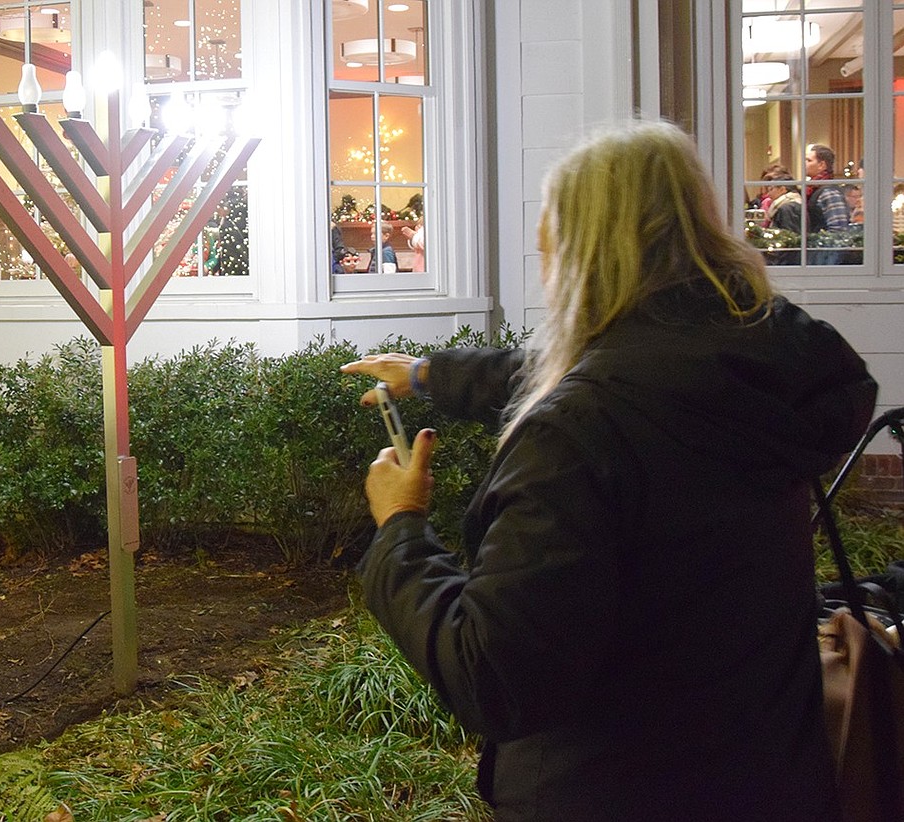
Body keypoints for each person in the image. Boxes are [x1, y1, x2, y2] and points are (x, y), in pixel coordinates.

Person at [340, 121, 876, 821]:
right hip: (769, 771)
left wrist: (399, 531)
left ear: (584, 255)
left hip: (614, 786)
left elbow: (494, 676)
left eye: (548, 246)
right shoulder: (756, 367)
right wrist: (426, 373)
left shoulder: (575, 438)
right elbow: (615, 371)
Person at [805, 144, 849, 234]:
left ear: (821, 165)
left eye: (809, 160)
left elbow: (839, 229)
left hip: (823, 246)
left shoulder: (829, 192)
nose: (804, 163)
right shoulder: (813, 189)